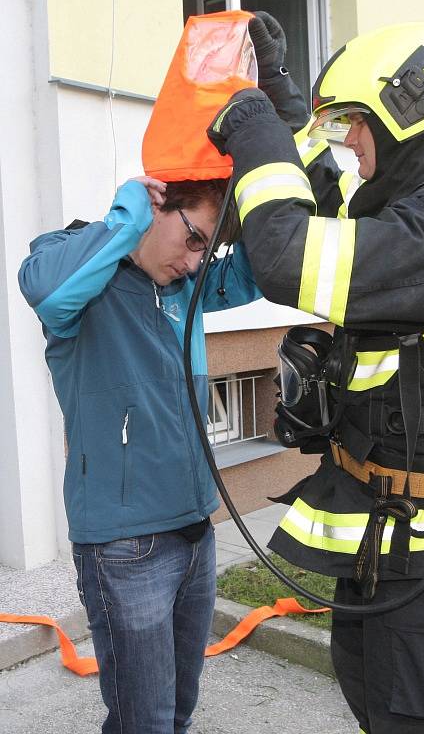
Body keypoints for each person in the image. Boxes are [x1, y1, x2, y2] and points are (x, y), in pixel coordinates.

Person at [207, 16, 424, 734]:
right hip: (392, 553)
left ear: (409, 114)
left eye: (356, 123)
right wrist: (283, 102)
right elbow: (328, 208)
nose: (346, 140)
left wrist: (255, 137)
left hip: (422, 575)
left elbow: (288, 255)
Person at [18, 175, 261, 733]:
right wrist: (126, 222)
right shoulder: (75, 264)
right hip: (127, 550)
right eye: (195, 238)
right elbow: (45, 290)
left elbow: (261, 269)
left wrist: (279, 169)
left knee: (176, 711)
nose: (197, 263)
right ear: (157, 206)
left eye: (210, 248)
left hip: (195, 531)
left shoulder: (186, 287)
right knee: (142, 722)